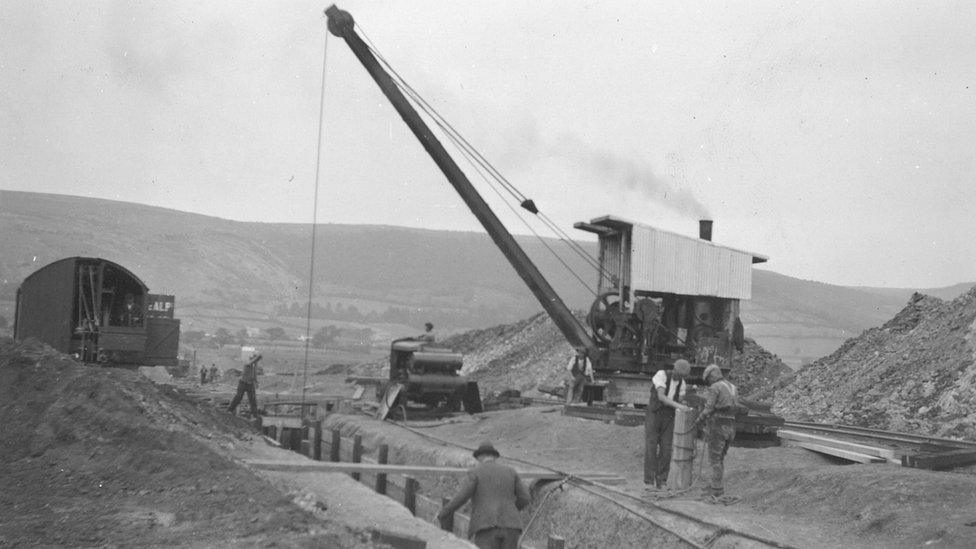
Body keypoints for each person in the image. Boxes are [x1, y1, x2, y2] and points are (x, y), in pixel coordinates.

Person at [437, 441, 531, 549]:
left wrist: (445, 511)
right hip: (511, 528)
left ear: (480, 457)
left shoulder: (475, 472)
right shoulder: (511, 471)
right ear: (494, 457)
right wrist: (510, 510)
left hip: (486, 526)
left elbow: (462, 497)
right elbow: (525, 498)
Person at [644, 359, 692, 489]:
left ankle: (662, 480)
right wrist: (679, 406)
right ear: (674, 369)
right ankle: (649, 481)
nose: (679, 377)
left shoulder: (682, 383)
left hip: (669, 416)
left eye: (682, 376)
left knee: (666, 449)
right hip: (655, 413)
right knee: (651, 447)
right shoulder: (661, 375)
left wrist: (685, 404)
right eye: (678, 374)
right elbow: (661, 397)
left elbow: (681, 399)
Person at [694, 363, 740, 498]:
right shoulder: (733, 387)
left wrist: (698, 420)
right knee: (720, 458)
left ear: (712, 376)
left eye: (708, 379)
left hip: (718, 425)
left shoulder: (715, 387)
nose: (708, 382)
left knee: (714, 459)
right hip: (731, 426)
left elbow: (708, 409)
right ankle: (717, 486)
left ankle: (715, 490)